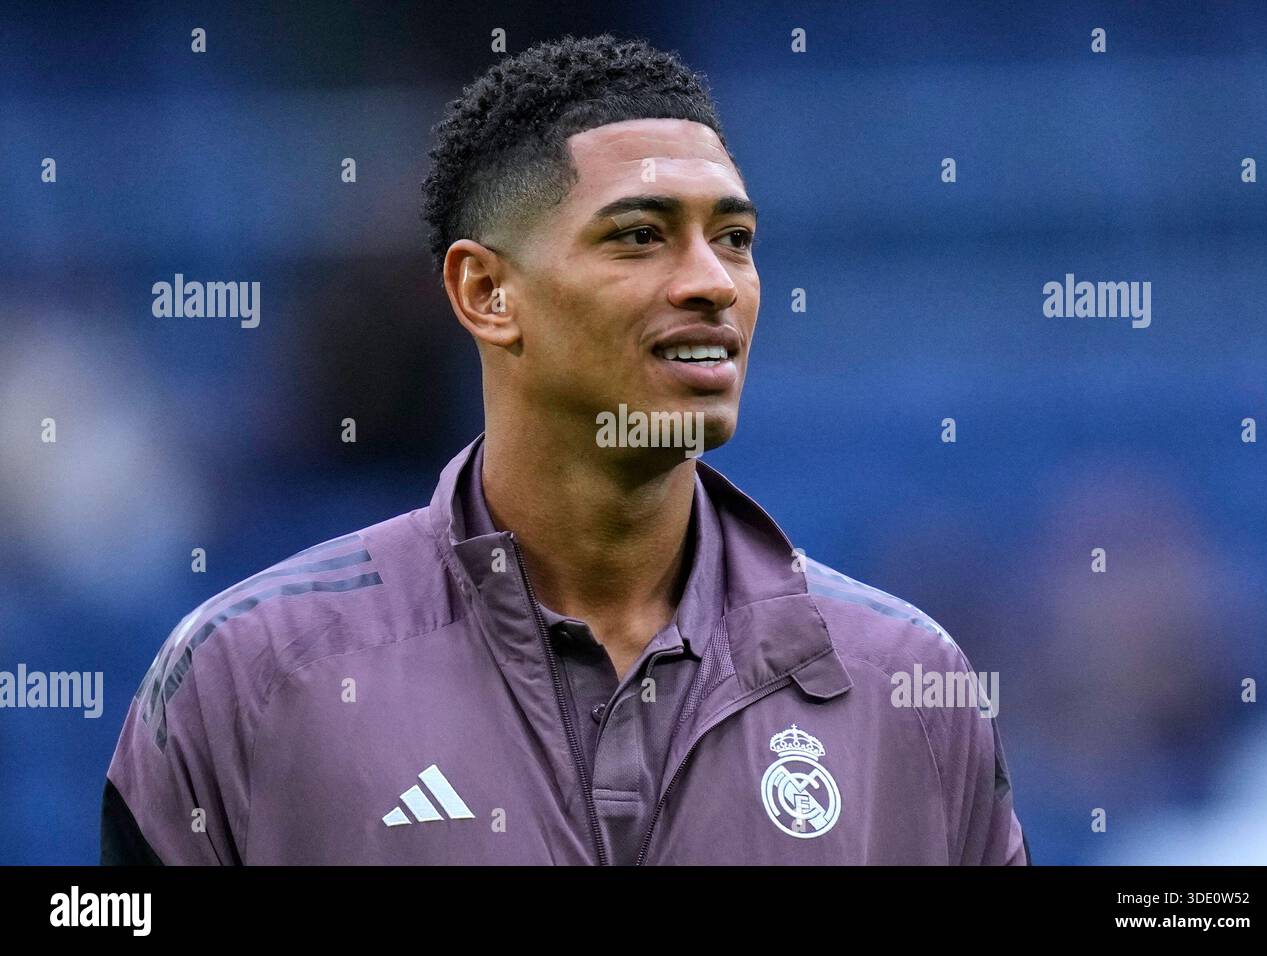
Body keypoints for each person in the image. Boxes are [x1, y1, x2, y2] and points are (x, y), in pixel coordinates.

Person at [102, 33, 1029, 865]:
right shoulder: (253, 676)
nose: (713, 283)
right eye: (640, 236)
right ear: (485, 293)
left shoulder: (905, 684)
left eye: (735, 239)